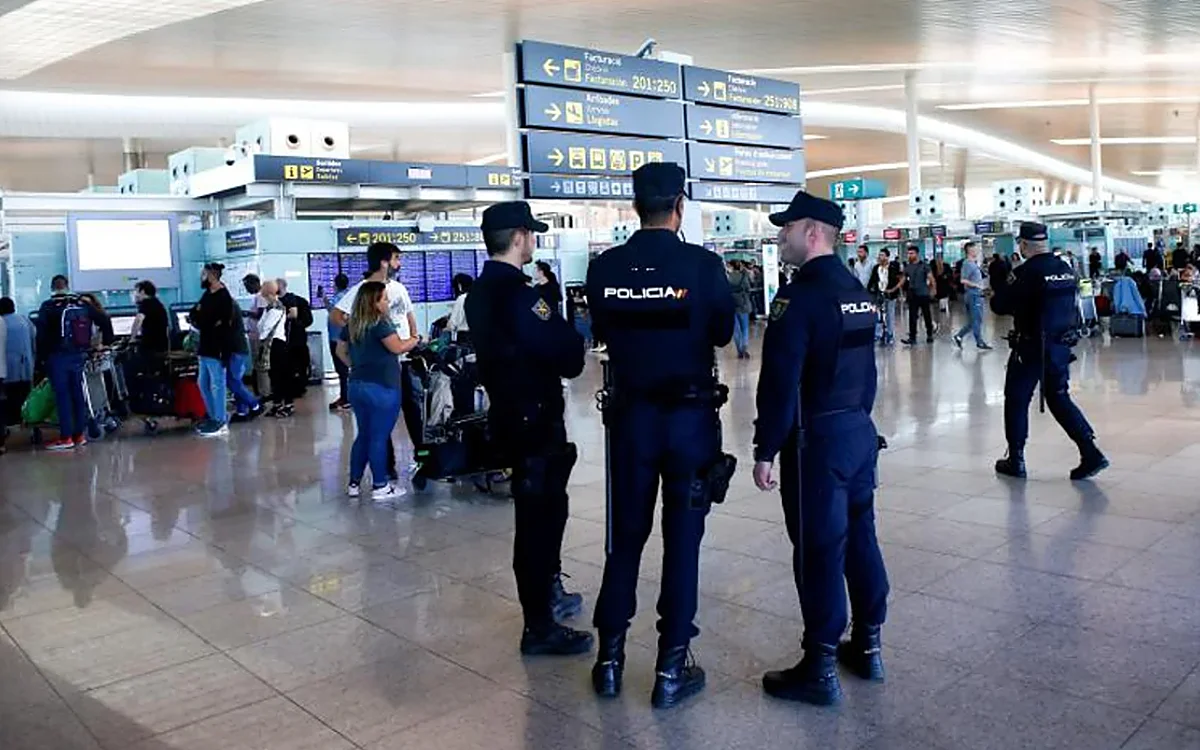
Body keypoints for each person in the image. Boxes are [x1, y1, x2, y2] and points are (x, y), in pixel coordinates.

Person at [587, 163, 735, 710]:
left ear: (634, 207)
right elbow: (722, 331)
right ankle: (671, 668)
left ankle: (609, 661)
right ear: (680, 206)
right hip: (689, 423)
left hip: (631, 422)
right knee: (683, 541)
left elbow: (602, 330)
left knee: (624, 538)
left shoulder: (605, 268)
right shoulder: (703, 265)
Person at [751, 190, 888, 706]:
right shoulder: (856, 291)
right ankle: (869, 646)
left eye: (787, 228)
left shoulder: (798, 298)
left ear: (812, 233)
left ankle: (820, 666)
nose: (780, 236)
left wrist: (766, 448)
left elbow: (779, 382)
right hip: (857, 432)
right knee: (861, 539)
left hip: (816, 445)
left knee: (819, 550)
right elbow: (867, 373)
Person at [465, 201, 592, 658]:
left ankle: (548, 594)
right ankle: (539, 625)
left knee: (542, 512)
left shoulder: (479, 293)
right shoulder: (519, 295)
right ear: (519, 237)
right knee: (539, 520)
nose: (533, 240)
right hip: (535, 421)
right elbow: (569, 354)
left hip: (509, 416)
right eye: (531, 234)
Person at [991, 222, 1108, 481]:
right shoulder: (1064, 269)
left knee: (1017, 399)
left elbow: (999, 305)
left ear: (1023, 245)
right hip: (1060, 347)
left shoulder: (1026, 272)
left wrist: (1001, 283)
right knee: (1059, 397)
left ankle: (1016, 459)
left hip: (1030, 347)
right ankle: (1090, 451)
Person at [330, 242, 420, 480]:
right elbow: (336, 316)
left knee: (412, 410)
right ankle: (385, 470)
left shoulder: (398, 288)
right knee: (382, 422)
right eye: (396, 258)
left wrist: (413, 337)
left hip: (402, 359)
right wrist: (363, 332)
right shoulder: (363, 290)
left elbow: (409, 315)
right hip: (380, 365)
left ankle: (422, 458)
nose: (399, 263)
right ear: (384, 262)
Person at [35, 275, 113, 450]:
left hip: (58, 356)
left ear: (52, 288)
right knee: (78, 394)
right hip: (78, 354)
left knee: (62, 396)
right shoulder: (81, 304)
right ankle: (79, 435)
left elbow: (41, 336)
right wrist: (104, 343)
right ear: (67, 286)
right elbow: (104, 319)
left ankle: (66, 437)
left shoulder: (48, 306)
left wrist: (40, 359)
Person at [188, 263, 236, 437]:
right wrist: (200, 317)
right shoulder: (207, 294)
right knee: (203, 383)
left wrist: (201, 317)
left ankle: (221, 421)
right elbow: (195, 314)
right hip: (205, 346)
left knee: (217, 384)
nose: (201, 277)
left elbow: (212, 321)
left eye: (204, 274)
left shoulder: (223, 297)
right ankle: (213, 416)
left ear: (212, 275)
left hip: (217, 348)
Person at [257, 281, 299, 418]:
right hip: (271, 344)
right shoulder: (269, 307)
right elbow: (260, 326)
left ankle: (288, 404)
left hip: (277, 344)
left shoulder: (277, 307)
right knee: (274, 375)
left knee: (282, 375)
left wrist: (261, 331)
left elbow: (265, 327)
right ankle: (277, 404)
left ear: (269, 292)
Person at [1, 297, 35, 443]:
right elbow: (34, 341)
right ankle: (26, 423)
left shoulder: (2, 323)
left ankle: (8, 427)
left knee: (7, 400)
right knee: (24, 398)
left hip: (8, 371)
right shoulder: (25, 321)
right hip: (26, 368)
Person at [276, 278, 314, 403]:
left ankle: (298, 387)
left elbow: (307, 320)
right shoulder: (274, 303)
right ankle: (293, 388)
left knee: (298, 365)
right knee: (290, 366)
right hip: (288, 340)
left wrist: (297, 324)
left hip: (296, 340)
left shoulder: (299, 301)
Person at [226, 296, 262, 423]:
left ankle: (254, 404)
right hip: (237, 349)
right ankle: (242, 411)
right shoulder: (231, 305)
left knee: (232, 381)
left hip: (235, 350)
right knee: (236, 380)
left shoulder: (228, 308)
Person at [953, 242, 992, 350]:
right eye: (975, 249)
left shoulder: (972, 263)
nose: (978, 251)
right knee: (977, 320)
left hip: (975, 294)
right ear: (970, 250)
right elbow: (963, 280)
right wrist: (977, 285)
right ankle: (979, 342)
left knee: (972, 321)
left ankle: (959, 336)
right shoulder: (968, 264)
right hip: (974, 295)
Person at [242, 274, 272, 399]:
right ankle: (261, 390)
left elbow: (260, 315)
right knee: (258, 365)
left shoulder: (261, 297)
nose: (246, 289)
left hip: (259, 337)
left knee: (261, 366)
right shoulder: (258, 297)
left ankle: (265, 392)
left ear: (254, 283)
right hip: (254, 335)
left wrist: (245, 313)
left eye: (247, 286)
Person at [867, 248, 903, 346]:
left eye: (882, 255)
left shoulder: (893, 267)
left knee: (889, 315)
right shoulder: (876, 268)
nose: (880, 257)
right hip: (879, 294)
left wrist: (894, 290)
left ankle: (890, 334)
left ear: (887, 257)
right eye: (879, 255)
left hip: (890, 294)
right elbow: (872, 280)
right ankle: (879, 334)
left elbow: (899, 280)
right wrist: (869, 291)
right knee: (878, 314)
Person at [901, 245, 936, 345]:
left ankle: (929, 334)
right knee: (912, 316)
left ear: (917, 254)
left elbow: (931, 278)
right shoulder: (907, 267)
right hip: (912, 294)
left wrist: (933, 289)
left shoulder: (925, 266)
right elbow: (903, 280)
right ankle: (912, 337)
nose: (909, 255)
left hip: (923, 293)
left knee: (926, 315)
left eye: (911, 253)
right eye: (908, 254)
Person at [327, 273, 352, 411]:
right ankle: (345, 396)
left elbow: (333, 312)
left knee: (342, 370)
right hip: (345, 337)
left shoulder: (338, 299)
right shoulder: (349, 297)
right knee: (344, 369)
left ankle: (346, 398)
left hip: (337, 338)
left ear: (335, 285)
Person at [130, 280, 169, 355]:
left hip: (151, 347)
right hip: (161, 345)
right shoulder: (157, 303)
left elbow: (138, 320)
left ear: (142, 291)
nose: (135, 295)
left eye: (136, 291)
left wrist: (132, 339)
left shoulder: (147, 303)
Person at [728, 260, 754, 359]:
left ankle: (739, 350)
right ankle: (744, 348)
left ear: (731, 267)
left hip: (732, 305)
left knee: (736, 329)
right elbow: (748, 288)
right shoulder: (744, 276)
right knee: (745, 328)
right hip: (743, 304)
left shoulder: (728, 277)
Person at [446, 273, 473, 344]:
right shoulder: (478, 297)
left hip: (465, 337)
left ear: (459, 286)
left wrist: (446, 328)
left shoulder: (461, 299)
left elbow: (453, 323)